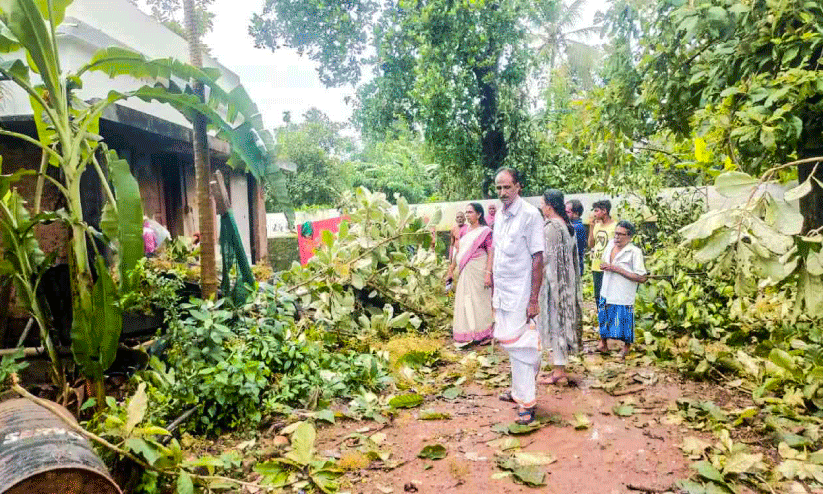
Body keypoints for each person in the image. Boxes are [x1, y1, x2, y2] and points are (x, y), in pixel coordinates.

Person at [491, 168, 544, 425]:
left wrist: (533, 299)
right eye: (499, 188)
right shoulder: (500, 215)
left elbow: (538, 258)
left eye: (507, 188)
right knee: (512, 344)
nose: (502, 193)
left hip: (522, 293)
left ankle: (527, 402)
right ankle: (517, 391)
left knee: (521, 345)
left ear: (519, 186)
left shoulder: (531, 215)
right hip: (503, 292)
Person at [540, 190, 583, 384]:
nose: (541, 208)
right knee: (562, 321)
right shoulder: (566, 225)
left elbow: (547, 258)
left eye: (542, 204)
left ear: (549, 206)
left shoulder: (552, 227)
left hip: (555, 282)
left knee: (556, 322)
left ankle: (559, 370)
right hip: (565, 280)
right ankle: (559, 367)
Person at [596, 220, 647, 359]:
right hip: (607, 289)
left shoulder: (634, 252)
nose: (617, 237)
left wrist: (616, 269)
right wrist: (605, 266)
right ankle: (603, 343)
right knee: (603, 316)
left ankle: (626, 347)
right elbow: (605, 261)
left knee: (624, 320)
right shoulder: (610, 245)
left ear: (629, 237)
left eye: (621, 234)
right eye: (616, 234)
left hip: (622, 293)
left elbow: (641, 277)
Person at [445, 203, 494, 345]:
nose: (467, 215)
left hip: (479, 270)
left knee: (480, 301)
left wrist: (488, 273)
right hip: (465, 270)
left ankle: (484, 334)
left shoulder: (485, 231)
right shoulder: (464, 231)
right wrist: (451, 270)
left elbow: (491, 253)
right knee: (466, 300)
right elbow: (458, 251)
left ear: (479, 214)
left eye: (470, 212)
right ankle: (468, 332)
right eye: (466, 212)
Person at [587, 199, 616, 303]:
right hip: (596, 265)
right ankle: (601, 318)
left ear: (604, 211)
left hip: (608, 266)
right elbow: (591, 244)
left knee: (609, 295)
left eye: (596, 211)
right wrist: (591, 227)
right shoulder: (597, 226)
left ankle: (610, 318)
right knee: (598, 296)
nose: (594, 214)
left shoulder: (615, 226)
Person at [565, 199, 587, 274]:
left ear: (576, 213)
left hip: (575, 267)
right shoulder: (574, 225)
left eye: (568, 212)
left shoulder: (576, 227)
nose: (565, 214)